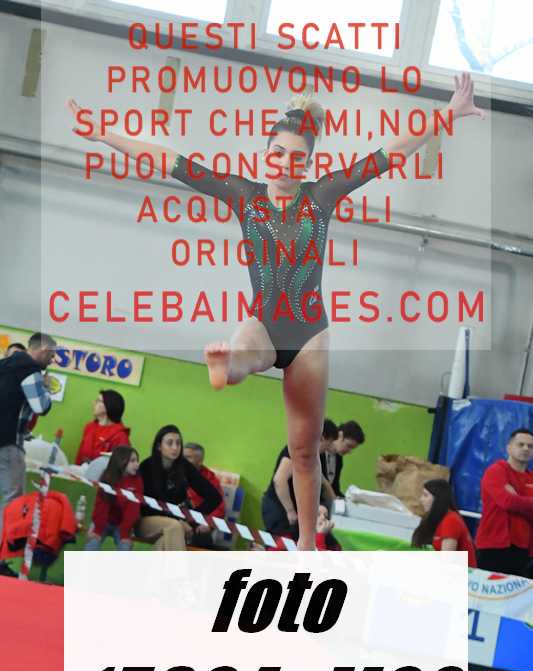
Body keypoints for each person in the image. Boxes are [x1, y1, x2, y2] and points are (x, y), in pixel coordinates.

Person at [68, 73, 484, 549]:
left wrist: (448, 113)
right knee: (246, 346)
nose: (286, 165)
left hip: (309, 336)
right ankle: (228, 367)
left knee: (304, 452)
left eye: (297, 158)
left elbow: (389, 153)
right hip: (264, 323)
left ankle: (305, 543)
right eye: (279, 153)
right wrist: (106, 135)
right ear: (265, 152)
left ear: (309, 163)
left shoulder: (321, 196)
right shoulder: (243, 195)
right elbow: (171, 161)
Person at [0, 332, 56, 577]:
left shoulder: (4, 365)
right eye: (51, 355)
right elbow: (40, 406)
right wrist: (45, 388)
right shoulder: (29, 369)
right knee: (12, 502)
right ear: (42, 350)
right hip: (8, 443)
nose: (52, 360)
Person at [137, 425, 223, 550]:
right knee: (175, 527)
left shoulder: (183, 465)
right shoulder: (146, 467)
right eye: (170, 443)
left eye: (178, 443)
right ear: (159, 446)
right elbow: (146, 507)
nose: (175, 447)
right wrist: (179, 521)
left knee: (165, 541)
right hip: (146, 520)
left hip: (175, 521)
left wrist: (190, 519)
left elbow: (214, 497)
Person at [262, 418, 338, 539]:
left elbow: (319, 480)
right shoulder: (299, 449)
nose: (328, 448)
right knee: (280, 544)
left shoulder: (314, 455)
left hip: (292, 508)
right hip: (279, 507)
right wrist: (290, 511)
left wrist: (325, 503)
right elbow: (279, 480)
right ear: (322, 438)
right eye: (329, 444)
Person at [475, 429, 533, 577]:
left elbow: (513, 502)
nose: (526, 448)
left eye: (530, 446)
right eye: (520, 444)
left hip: (523, 550)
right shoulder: (496, 471)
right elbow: (507, 502)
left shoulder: (531, 478)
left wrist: (516, 499)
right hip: (493, 546)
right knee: (487, 591)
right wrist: (524, 503)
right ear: (509, 447)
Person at [85, 446, 143, 551]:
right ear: (120, 461)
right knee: (91, 543)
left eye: (137, 461)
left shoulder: (137, 481)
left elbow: (133, 510)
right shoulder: (107, 477)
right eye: (132, 461)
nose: (137, 464)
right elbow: (101, 506)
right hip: (103, 521)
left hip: (122, 524)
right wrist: (97, 530)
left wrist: (125, 533)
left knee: (125, 547)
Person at [411, 479, 477, 566]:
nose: (421, 499)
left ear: (438, 499)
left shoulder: (451, 520)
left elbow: (447, 561)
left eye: (425, 495)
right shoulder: (435, 518)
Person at [75, 390, 130, 465]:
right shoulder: (89, 427)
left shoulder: (120, 436)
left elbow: (120, 466)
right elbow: (80, 456)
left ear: (108, 406)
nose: (93, 403)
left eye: (98, 401)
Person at [321, 420, 365, 498]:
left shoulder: (339, 459)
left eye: (352, 448)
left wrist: (345, 500)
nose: (349, 451)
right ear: (340, 435)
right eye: (348, 446)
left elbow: (335, 488)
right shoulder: (318, 454)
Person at [183, 443, 226, 519]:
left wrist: (205, 522)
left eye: (188, 457)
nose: (183, 461)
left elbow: (219, 509)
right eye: (182, 457)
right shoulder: (174, 473)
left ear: (200, 461)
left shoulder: (210, 480)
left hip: (198, 519)